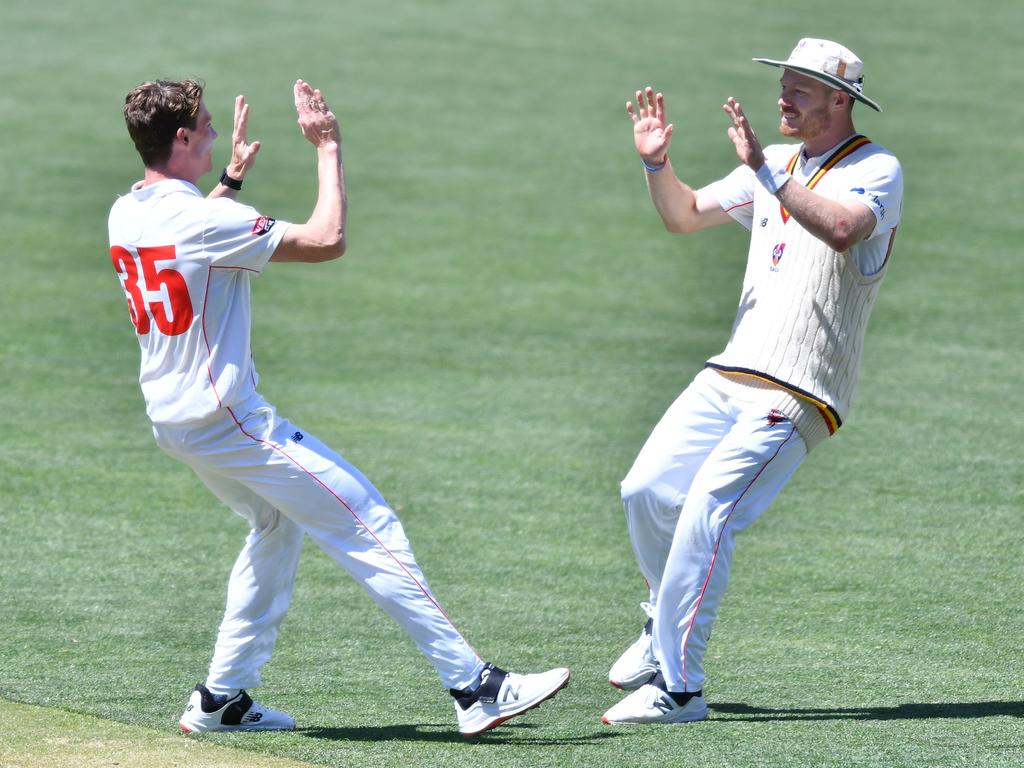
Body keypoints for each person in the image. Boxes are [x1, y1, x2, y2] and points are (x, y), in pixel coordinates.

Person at [108, 78, 569, 737]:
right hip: (230, 422)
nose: (214, 132)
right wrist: (327, 147)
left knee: (275, 525)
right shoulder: (206, 223)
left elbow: (186, 238)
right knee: (369, 521)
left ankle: (222, 699)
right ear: (180, 139)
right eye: (205, 126)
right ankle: (475, 686)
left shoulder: (129, 211)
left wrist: (232, 178)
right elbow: (328, 239)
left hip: (174, 424)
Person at [602, 39, 903, 725]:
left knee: (708, 509)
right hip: (731, 370)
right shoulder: (776, 162)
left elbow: (842, 228)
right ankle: (660, 626)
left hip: (799, 390)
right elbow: (683, 216)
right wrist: (656, 163)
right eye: (784, 82)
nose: (784, 96)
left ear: (840, 99)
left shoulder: (876, 169)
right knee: (644, 490)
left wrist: (767, 175)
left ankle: (682, 690)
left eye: (801, 86)